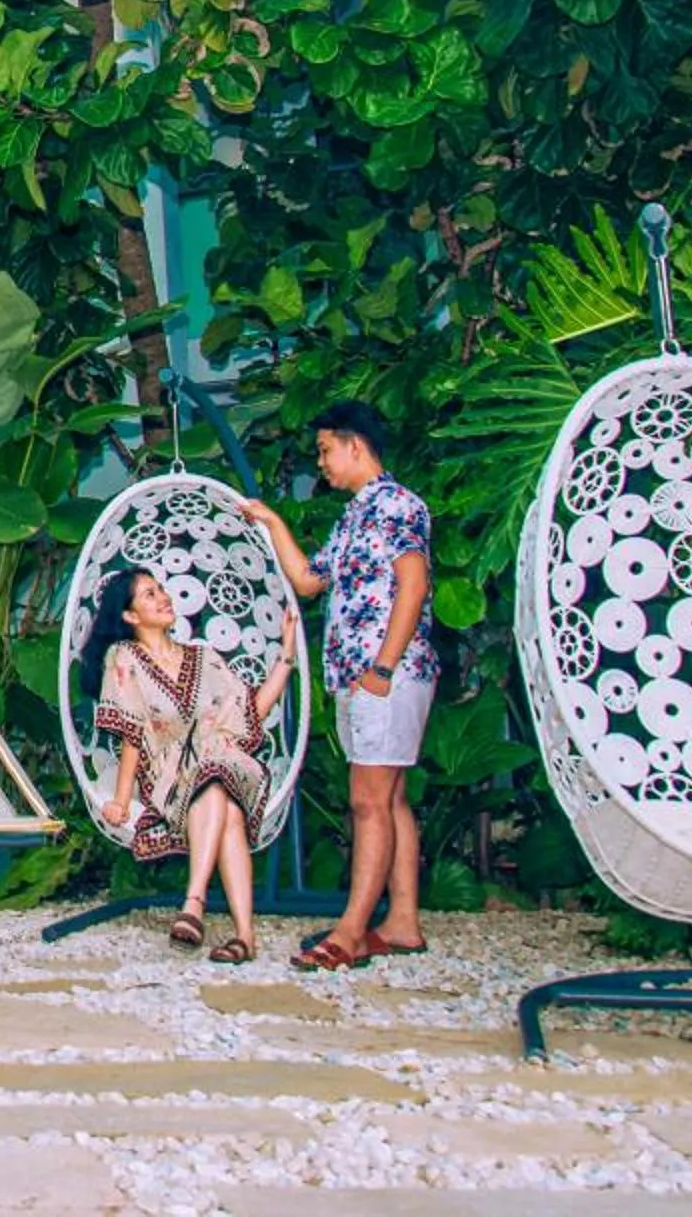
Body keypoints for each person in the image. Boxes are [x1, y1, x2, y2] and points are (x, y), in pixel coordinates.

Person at [243, 399, 439, 972]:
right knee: (391, 797)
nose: (321, 463)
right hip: (360, 677)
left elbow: (414, 583)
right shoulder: (355, 515)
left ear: (357, 446)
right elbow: (308, 581)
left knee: (367, 801)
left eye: (326, 451)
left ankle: (351, 932)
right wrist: (273, 523)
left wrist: (382, 668)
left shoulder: (398, 505)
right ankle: (402, 923)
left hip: (387, 676)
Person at [79, 565, 299, 963]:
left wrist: (286, 657)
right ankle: (244, 937)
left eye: (162, 589)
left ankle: (193, 904)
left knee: (217, 775)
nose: (163, 597)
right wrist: (121, 798)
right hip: (171, 778)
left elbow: (249, 712)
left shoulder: (205, 658)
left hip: (227, 762)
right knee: (227, 808)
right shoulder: (124, 658)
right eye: (149, 594)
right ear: (130, 616)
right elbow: (133, 730)